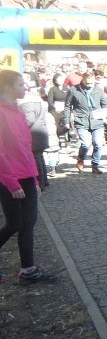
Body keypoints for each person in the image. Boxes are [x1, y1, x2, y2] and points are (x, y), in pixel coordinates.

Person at [0, 71, 56, 285]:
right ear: (7, 87)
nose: (26, 88)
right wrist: (11, 182)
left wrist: (34, 178)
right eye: (21, 84)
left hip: (26, 176)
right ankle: (28, 270)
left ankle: (28, 270)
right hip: (10, 179)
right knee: (14, 223)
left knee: (28, 223)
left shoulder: (17, 110)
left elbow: (26, 147)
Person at [63, 70, 107, 174]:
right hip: (81, 120)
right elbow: (67, 106)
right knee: (86, 144)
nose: (90, 85)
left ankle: (95, 165)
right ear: (83, 80)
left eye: (92, 83)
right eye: (87, 83)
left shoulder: (98, 89)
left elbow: (105, 104)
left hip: (97, 120)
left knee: (98, 144)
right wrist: (66, 121)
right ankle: (81, 158)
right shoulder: (74, 90)